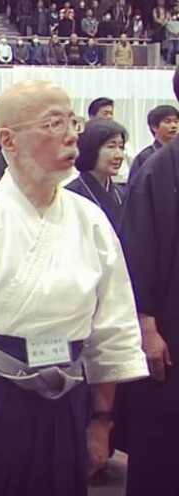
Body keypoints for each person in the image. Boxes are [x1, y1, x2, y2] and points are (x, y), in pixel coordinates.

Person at [0, 80, 148, 496]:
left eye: (72, 121)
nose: (72, 134)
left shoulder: (90, 221)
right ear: (9, 139)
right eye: (53, 123)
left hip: (68, 396)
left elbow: (112, 328)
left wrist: (101, 421)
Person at [118, 110, 179, 496]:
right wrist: (146, 325)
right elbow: (137, 252)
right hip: (169, 329)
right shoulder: (159, 170)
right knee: (163, 442)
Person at [64, 118, 128, 233]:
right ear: (91, 149)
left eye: (121, 147)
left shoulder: (123, 193)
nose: (119, 155)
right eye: (111, 146)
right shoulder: (70, 196)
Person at [128, 105, 178, 182]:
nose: (174, 126)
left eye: (176, 121)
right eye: (168, 121)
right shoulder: (145, 157)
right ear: (154, 126)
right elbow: (135, 187)